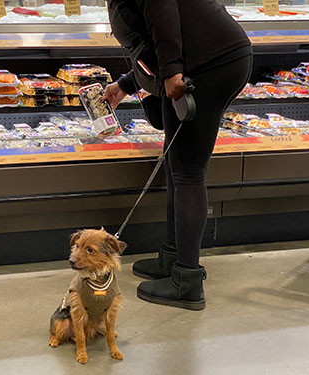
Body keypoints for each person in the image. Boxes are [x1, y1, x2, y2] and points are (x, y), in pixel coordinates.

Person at [103, 0, 253, 310]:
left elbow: (162, 10)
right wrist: (125, 85)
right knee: (177, 165)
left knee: (187, 170)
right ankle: (172, 257)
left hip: (209, 63)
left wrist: (172, 72)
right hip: (200, 61)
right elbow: (149, 38)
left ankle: (187, 280)